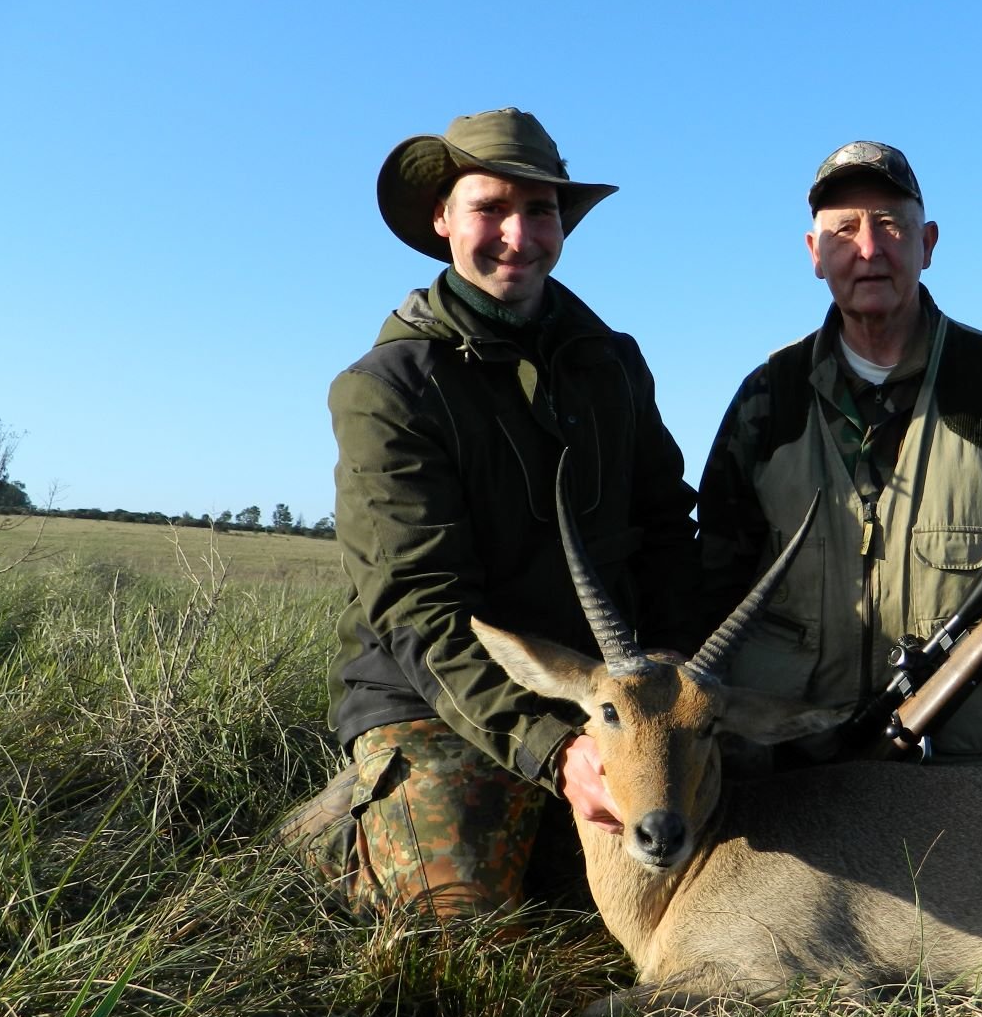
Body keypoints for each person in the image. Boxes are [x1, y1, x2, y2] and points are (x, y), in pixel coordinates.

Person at [278, 108, 696, 920]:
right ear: (442, 219)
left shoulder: (614, 362)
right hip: (438, 697)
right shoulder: (388, 389)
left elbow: (667, 528)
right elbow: (419, 611)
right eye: (490, 209)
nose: (519, 235)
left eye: (540, 212)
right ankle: (340, 830)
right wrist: (554, 752)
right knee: (463, 914)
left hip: (604, 693)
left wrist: (671, 683)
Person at [697, 141, 982, 766]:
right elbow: (713, 574)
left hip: (958, 756)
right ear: (815, 254)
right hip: (789, 758)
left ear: (929, 243)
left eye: (890, 225)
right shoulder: (768, 395)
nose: (868, 250)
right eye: (844, 230)